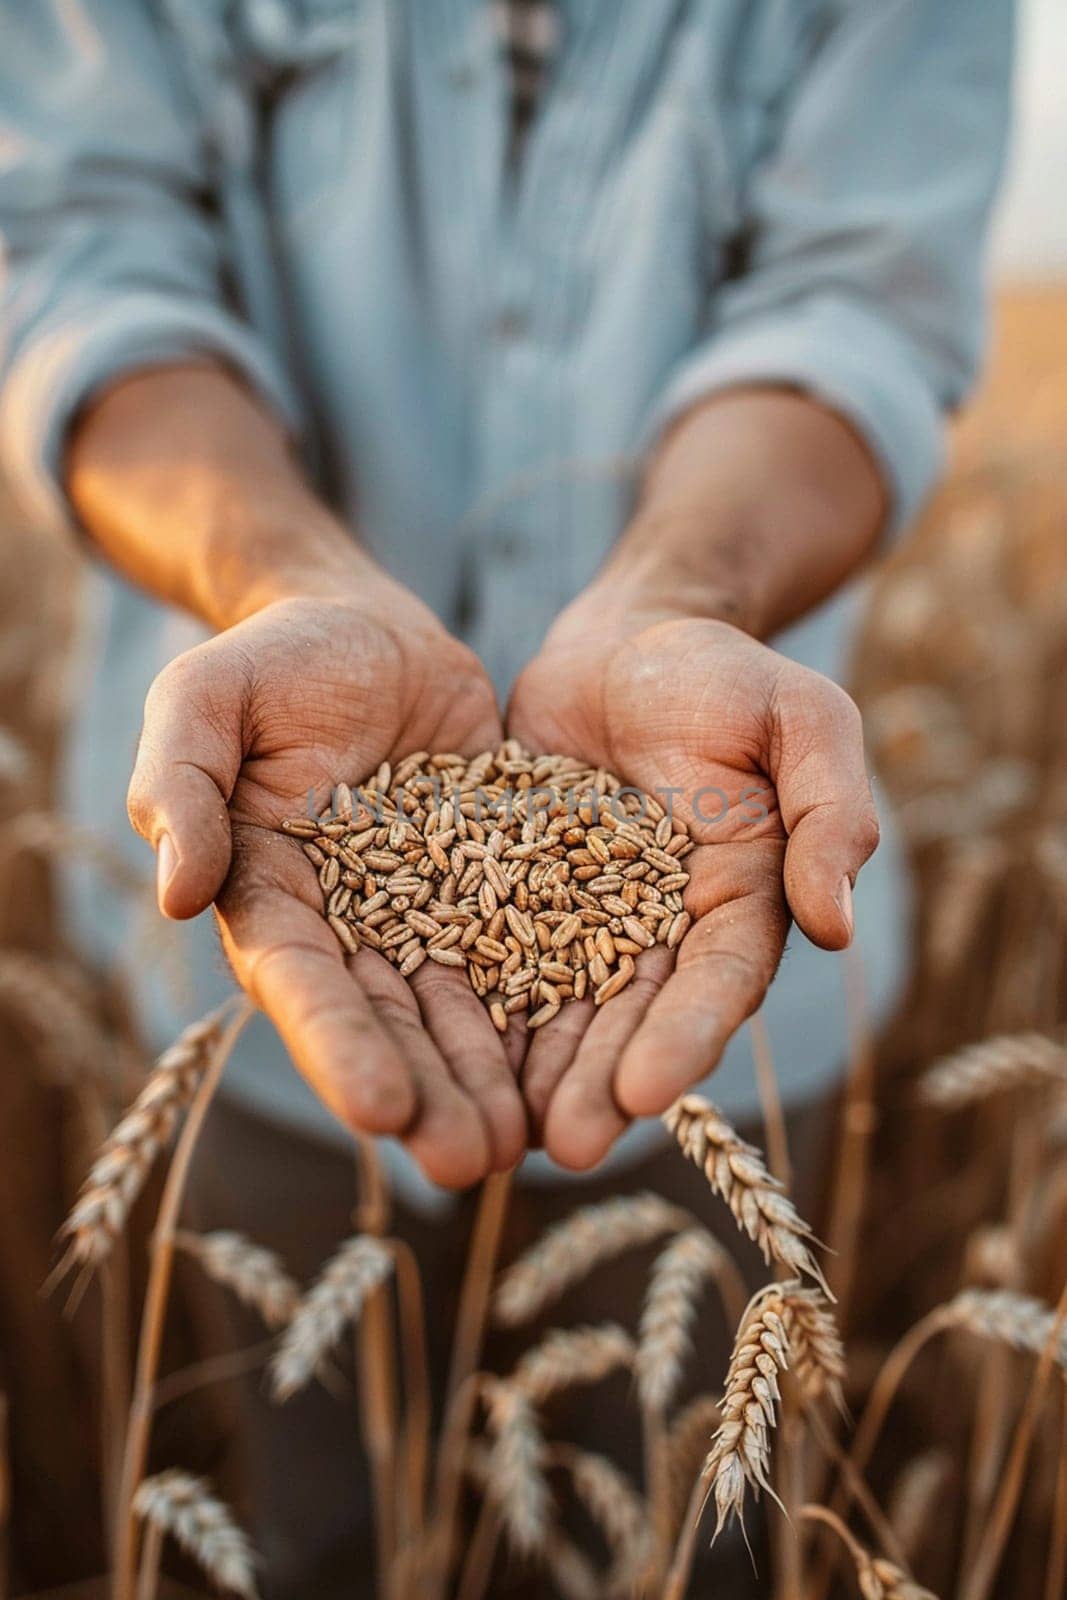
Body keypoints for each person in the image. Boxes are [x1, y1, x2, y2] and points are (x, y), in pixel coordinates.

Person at [0, 1, 1012, 1592]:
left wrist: (682, 593)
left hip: (726, 993)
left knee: (701, 1530)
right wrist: (279, 578)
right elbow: (80, 263)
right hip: (241, 985)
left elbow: (857, 314)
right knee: (320, 1529)